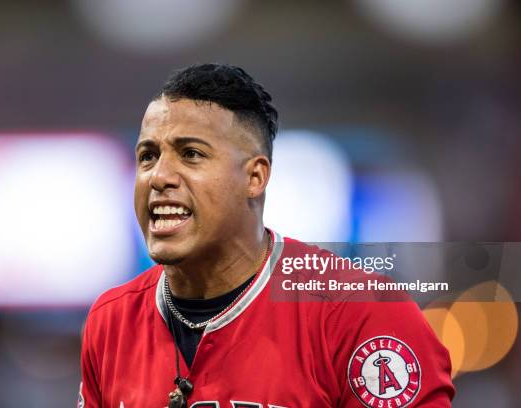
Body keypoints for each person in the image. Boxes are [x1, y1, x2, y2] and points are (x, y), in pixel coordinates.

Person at [78, 63, 454, 407]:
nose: (159, 177)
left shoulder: (359, 314)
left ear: (255, 177)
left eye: (191, 154)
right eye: (148, 156)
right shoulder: (111, 320)